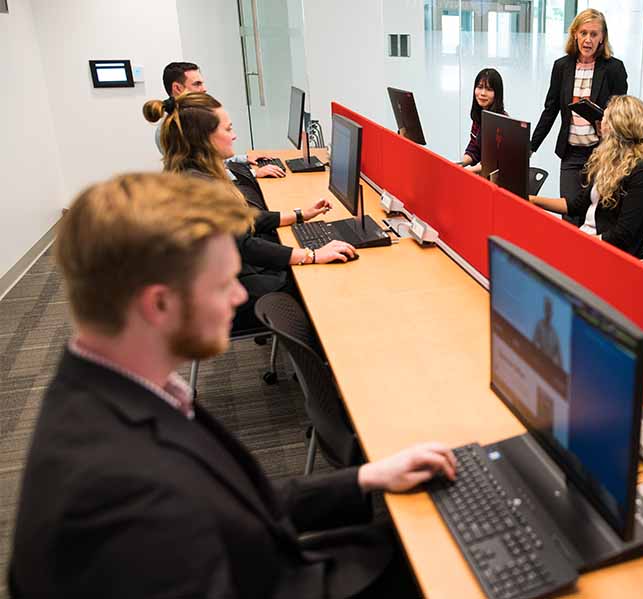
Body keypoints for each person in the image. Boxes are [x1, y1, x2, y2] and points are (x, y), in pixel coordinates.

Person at [9, 172, 457, 598]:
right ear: (159, 304)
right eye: (223, 284)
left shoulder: (124, 390)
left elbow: (224, 502)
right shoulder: (116, 492)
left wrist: (365, 477)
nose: (241, 296)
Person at [143, 92, 356, 329]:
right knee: (316, 285)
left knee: (302, 264)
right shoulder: (201, 187)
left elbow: (242, 222)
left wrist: (299, 215)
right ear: (205, 139)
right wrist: (311, 255)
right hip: (223, 298)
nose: (234, 135)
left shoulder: (191, 173)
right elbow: (243, 245)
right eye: (227, 129)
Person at [530, 95, 643, 260]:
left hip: (609, 257)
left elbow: (621, 236)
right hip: (590, 244)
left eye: (604, 117)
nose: (599, 121)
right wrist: (532, 200)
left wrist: (575, 244)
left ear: (613, 126)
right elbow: (577, 206)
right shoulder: (608, 160)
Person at [530, 9, 628, 224]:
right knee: (571, 217)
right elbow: (550, 110)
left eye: (594, 34)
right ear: (575, 34)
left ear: (602, 37)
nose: (588, 39)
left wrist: (607, 125)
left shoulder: (614, 69)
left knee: (597, 218)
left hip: (601, 154)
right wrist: (530, 147)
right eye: (583, 33)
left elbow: (621, 115)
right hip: (571, 154)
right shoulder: (562, 67)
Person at [157, 61, 284, 179]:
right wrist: (254, 173)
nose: (204, 89)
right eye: (197, 84)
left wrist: (244, 158)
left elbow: (211, 158)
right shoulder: (173, 127)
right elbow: (204, 169)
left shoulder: (193, 118)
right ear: (177, 88)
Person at [459, 68, 506, 174]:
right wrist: (460, 164)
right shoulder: (479, 116)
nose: (483, 93)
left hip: (500, 181)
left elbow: (493, 162)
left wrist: (466, 170)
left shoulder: (502, 122)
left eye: (489, 89)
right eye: (480, 87)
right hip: (483, 174)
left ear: (497, 94)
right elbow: (474, 148)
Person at [533, 297, 562, 367]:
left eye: (550, 310)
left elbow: (560, 359)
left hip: (549, 368)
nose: (548, 312)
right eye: (547, 309)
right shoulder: (539, 325)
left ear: (552, 313)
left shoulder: (555, 334)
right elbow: (534, 344)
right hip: (538, 363)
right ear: (544, 310)